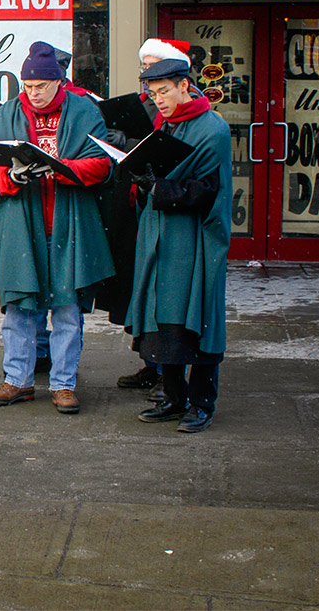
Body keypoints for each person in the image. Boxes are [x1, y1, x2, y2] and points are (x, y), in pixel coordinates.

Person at [0, 42, 114, 414]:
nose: (33, 93)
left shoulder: (84, 111)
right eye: (27, 85)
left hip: (67, 225)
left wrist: (61, 168)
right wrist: (12, 174)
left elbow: (102, 163)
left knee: (68, 308)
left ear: (58, 82)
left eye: (40, 85)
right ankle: (18, 380)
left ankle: (63, 384)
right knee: (20, 307)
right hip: (24, 226)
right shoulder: (9, 112)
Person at [125, 56, 231, 433]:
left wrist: (158, 187)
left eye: (165, 91)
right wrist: (142, 178)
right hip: (161, 237)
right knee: (163, 317)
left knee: (197, 318)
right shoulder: (165, 125)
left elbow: (208, 190)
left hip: (196, 239)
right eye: (154, 94)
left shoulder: (212, 129)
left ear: (185, 85)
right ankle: (173, 397)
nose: (160, 101)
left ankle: (202, 403)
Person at [114, 39, 193, 398]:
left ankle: (169, 374)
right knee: (143, 290)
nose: (147, 73)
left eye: (154, 65)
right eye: (144, 66)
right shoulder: (149, 106)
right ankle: (151, 363)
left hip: (174, 215)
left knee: (168, 297)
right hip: (144, 205)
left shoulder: (188, 115)